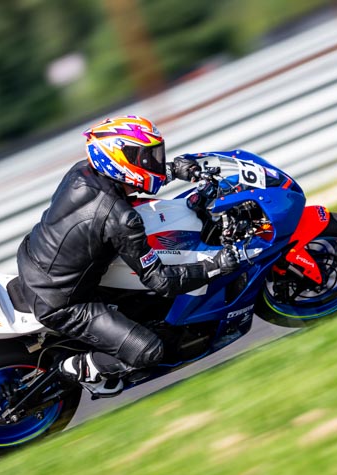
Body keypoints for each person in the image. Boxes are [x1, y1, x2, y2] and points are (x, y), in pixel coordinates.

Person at [14, 115, 240, 397]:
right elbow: (162, 281)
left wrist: (171, 170)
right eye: (147, 157)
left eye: (154, 155)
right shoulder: (120, 219)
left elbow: (129, 181)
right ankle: (78, 367)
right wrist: (216, 265)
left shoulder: (80, 172)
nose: (154, 162)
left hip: (33, 260)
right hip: (62, 302)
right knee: (149, 350)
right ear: (118, 158)